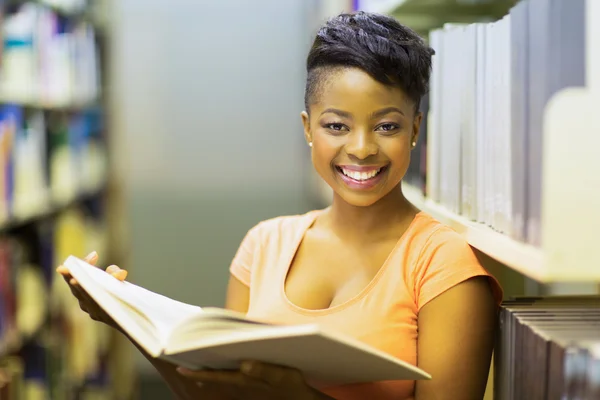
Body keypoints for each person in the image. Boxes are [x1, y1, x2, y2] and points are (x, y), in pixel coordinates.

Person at [58, 10, 503, 400]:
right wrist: (124, 319)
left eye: (387, 126)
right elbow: (215, 391)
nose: (362, 148)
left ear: (415, 130)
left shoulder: (444, 266)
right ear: (309, 128)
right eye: (337, 126)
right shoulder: (264, 244)